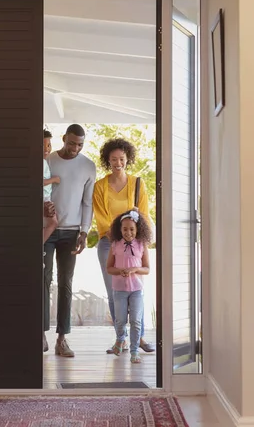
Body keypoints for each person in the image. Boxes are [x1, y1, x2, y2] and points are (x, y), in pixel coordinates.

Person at [93, 138, 155, 353]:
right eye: (113, 159)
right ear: (107, 160)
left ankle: (140, 337)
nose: (117, 162)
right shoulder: (100, 186)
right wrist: (117, 238)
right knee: (114, 292)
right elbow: (101, 218)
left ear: (127, 159)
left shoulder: (138, 183)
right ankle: (121, 338)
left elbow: (144, 215)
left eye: (121, 159)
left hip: (135, 243)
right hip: (109, 243)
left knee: (137, 289)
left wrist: (133, 238)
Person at [44, 124, 96, 357]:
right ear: (64, 138)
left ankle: (62, 339)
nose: (75, 148)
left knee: (66, 283)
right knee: (42, 282)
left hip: (72, 231)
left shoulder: (88, 166)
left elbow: (88, 203)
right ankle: (40, 335)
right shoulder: (48, 160)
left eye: (80, 145)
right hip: (45, 230)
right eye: (72, 142)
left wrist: (84, 231)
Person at [107, 209, 152, 364]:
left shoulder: (141, 245)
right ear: (120, 230)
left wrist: (135, 269)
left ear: (137, 229)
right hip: (119, 289)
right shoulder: (115, 245)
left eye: (132, 229)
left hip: (136, 290)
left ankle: (134, 352)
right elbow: (109, 268)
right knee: (120, 320)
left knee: (136, 320)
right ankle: (120, 339)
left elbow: (147, 269)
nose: (128, 232)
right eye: (125, 229)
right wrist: (120, 271)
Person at [43, 129, 60, 243]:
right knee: (53, 222)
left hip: (46, 197)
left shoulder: (44, 161)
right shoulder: (39, 162)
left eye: (49, 145)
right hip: (44, 198)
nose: (46, 149)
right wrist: (54, 179)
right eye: (43, 145)